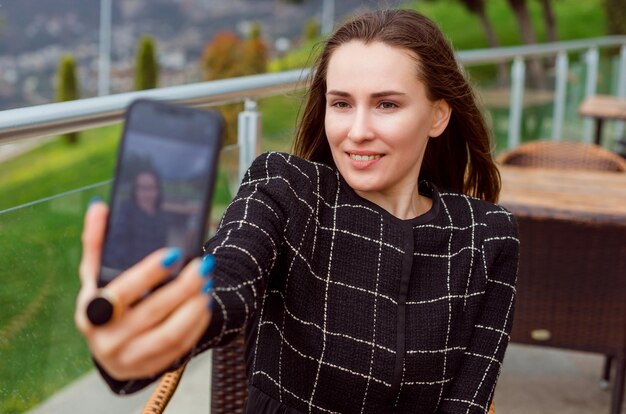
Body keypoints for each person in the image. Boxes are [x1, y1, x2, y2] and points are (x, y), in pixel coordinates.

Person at [75, 9, 519, 413]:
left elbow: (468, 402)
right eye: (341, 103)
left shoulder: (489, 236)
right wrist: (136, 334)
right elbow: (229, 276)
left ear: (438, 115)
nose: (357, 131)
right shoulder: (286, 188)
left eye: (387, 104)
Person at [101, 168, 169, 272]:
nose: (146, 194)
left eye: (150, 188)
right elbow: (115, 251)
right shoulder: (125, 213)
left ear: (158, 191)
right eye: (141, 188)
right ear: (135, 191)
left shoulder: (162, 218)